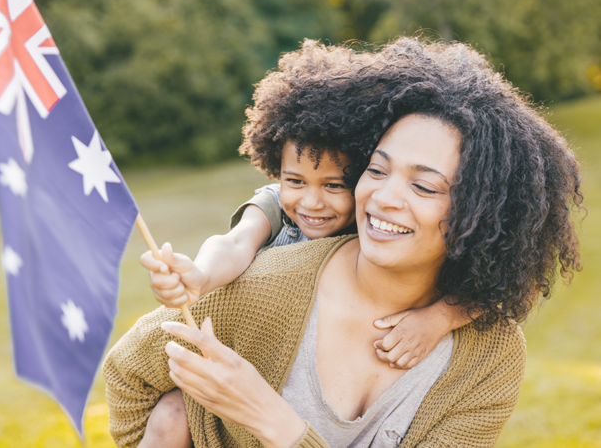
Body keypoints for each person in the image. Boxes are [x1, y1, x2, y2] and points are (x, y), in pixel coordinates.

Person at [104, 38, 583, 448]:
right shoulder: (257, 291)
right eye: (376, 170)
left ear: (485, 213)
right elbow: (128, 376)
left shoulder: (489, 358)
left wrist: (274, 421)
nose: (384, 197)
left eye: (424, 186)